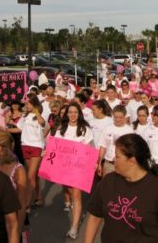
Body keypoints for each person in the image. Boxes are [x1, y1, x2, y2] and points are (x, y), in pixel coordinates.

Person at [84, 133, 158, 243]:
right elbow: (94, 217)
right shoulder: (108, 182)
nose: (113, 159)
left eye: (117, 156)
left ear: (132, 160)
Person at [56, 103, 93, 240]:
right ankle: (78, 212)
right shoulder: (61, 129)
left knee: (76, 195)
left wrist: (90, 166)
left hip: (79, 167)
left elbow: (88, 149)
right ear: (66, 114)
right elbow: (56, 147)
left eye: (75, 112)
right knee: (71, 194)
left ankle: (74, 227)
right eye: (70, 112)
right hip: (65, 168)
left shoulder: (85, 129)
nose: (72, 115)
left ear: (79, 114)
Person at [0, 129, 28, 235]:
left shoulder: (18, 169)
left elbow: (21, 203)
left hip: (10, 223)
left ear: (9, 147)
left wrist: (18, 229)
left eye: (3, 146)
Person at [15, 94, 46, 208]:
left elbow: (42, 123)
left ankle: (26, 203)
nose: (26, 105)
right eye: (26, 103)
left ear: (34, 104)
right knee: (34, 175)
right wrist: (4, 129)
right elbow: (18, 128)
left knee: (30, 176)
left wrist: (36, 110)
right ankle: (39, 196)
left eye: (28, 103)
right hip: (25, 146)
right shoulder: (25, 116)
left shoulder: (38, 116)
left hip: (36, 146)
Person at [97, 105, 134, 177]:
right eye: (116, 117)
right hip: (108, 165)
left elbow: (131, 150)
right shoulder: (107, 128)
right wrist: (99, 163)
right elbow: (103, 146)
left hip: (123, 165)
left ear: (124, 116)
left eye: (120, 117)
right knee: (107, 187)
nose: (118, 119)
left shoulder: (129, 130)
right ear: (112, 116)